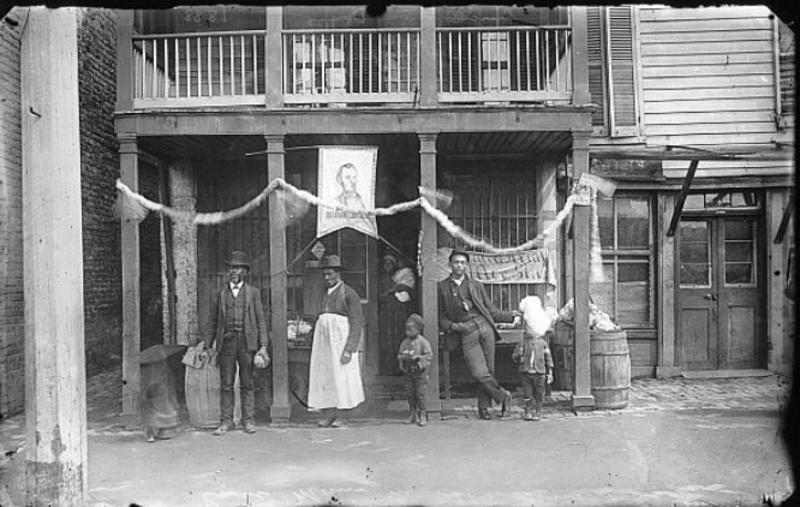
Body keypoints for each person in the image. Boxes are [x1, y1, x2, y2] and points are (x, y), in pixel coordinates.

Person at [438, 249, 519, 420]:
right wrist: (455, 326)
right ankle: (504, 396)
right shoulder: (443, 287)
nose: (459, 265)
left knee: (489, 369)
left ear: (466, 265)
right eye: (456, 262)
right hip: (467, 331)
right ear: (450, 264)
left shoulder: (476, 285)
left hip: (485, 327)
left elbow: (491, 310)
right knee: (478, 371)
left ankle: (484, 408)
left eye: (462, 262)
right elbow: (441, 317)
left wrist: (511, 315)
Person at [199, 250, 269, 436]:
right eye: (231, 268)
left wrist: (263, 345)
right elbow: (212, 321)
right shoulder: (220, 294)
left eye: (238, 268)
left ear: (245, 271)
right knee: (226, 384)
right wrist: (207, 345)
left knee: (247, 383)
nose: (234, 271)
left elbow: (261, 319)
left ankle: (248, 420)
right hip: (227, 343)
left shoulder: (253, 293)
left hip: (247, 343)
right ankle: (226, 422)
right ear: (228, 271)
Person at [308, 255, 366, 428]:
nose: (327, 278)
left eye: (330, 274)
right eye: (325, 274)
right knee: (326, 377)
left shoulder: (349, 293)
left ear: (339, 273)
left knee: (342, 377)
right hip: (325, 344)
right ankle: (328, 414)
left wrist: (350, 348)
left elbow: (357, 323)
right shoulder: (324, 293)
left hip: (341, 343)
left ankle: (343, 415)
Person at [378, 254, 416, 374]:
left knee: (399, 338)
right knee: (386, 339)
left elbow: (407, 293)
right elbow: (380, 296)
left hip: (399, 313)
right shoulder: (382, 279)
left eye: (390, 264)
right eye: (386, 264)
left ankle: (400, 368)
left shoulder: (401, 278)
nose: (387, 266)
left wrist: (394, 290)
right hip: (386, 313)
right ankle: (387, 368)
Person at [397, 313, 432, 427]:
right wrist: (403, 358)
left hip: (420, 373)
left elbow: (429, 356)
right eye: (406, 330)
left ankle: (422, 413)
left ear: (418, 329)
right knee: (410, 393)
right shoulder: (405, 342)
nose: (408, 332)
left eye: (411, 330)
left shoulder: (423, 342)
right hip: (408, 372)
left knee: (420, 394)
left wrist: (419, 359)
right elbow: (400, 354)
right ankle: (412, 413)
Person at [512, 329, 554, 421]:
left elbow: (548, 358)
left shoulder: (543, 344)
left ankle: (538, 410)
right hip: (526, 373)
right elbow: (514, 357)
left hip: (539, 373)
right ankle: (528, 410)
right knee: (527, 393)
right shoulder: (522, 343)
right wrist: (519, 355)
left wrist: (550, 372)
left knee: (539, 393)